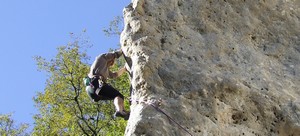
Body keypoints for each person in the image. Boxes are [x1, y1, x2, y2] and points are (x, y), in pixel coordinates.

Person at [85, 50, 129, 120]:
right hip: (95, 84)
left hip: (93, 90)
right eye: (112, 62)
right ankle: (120, 111)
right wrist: (122, 50)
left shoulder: (105, 70)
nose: (111, 64)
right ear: (110, 59)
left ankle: (123, 112)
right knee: (118, 96)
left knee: (116, 97)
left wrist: (124, 69)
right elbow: (114, 54)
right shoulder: (101, 58)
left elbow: (114, 75)